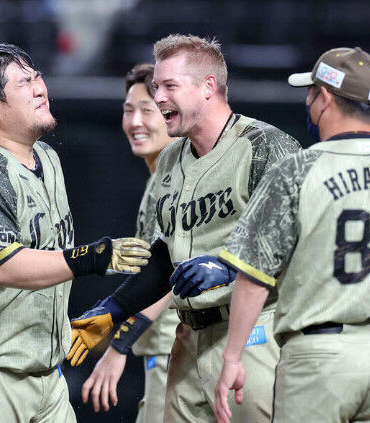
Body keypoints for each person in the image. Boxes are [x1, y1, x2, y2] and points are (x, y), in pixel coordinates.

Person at [66, 34, 301, 422]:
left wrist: (226, 267)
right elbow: (166, 255)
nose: (158, 98)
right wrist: (112, 309)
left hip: (254, 333)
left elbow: (301, 241)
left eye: (169, 86)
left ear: (208, 87)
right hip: (188, 337)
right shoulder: (172, 157)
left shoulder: (265, 146)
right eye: (157, 86)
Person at [0, 43, 151, 423]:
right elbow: (2, 266)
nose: (40, 87)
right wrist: (92, 258)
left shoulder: (47, 158)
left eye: (38, 76)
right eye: (24, 82)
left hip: (46, 376)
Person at [214, 47, 370, 423]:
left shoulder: (296, 170)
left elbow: (253, 275)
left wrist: (233, 356)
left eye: (311, 92)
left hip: (319, 359)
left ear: (325, 97)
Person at [79, 63, 178, 422]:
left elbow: (173, 272)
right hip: (165, 354)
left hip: (180, 354)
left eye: (147, 110)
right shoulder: (159, 180)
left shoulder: (181, 179)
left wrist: (119, 345)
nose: (135, 121)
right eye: (128, 110)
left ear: (171, 112)